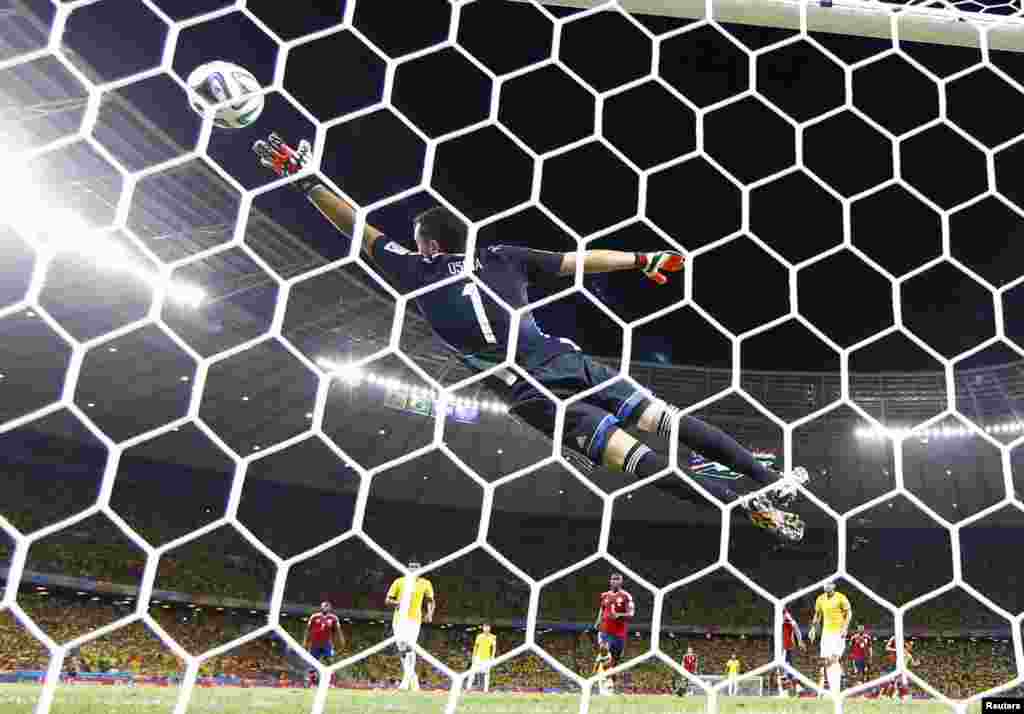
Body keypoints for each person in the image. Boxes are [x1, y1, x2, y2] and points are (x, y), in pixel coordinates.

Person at [253, 134, 809, 542]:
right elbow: (579, 260)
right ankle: (768, 479)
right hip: (566, 361)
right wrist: (644, 258)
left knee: (639, 460)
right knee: (666, 419)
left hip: (530, 393)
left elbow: (357, 226)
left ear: (425, 245)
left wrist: (306, 180)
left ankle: (743, 507)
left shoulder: (415, 271)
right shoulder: (501, 256)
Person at [385, 560, 435, 691]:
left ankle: (406, 681)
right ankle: (413, 677)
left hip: (414, 619)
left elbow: (430, 600)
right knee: (401, 648)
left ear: (421, 569)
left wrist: (430, 614)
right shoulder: (399, 581)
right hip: (399, 619)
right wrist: (397, 603)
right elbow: (388, 599)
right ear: (407, 568)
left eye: (416, 567)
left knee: (410, 646)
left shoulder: (425, 583)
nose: (413, 569)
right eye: (411, 567)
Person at [808, 582, 851, 696]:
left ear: (833, 586)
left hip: (838, 632)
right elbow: (817, 615)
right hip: (826, 633)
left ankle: (836, 690)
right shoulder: (820, 599)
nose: (826, 586)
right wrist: (813, 629)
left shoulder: (841, 597)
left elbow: (849, 613)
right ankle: (831, 690)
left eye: (829, 584)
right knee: (826, 661)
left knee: (834, 659)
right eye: (825, 585)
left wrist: (845, 628)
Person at [594, 572, 634, 683]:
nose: (615, 581)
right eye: (613, 579)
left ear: (621, 582)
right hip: (605, 630)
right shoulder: (604, 595)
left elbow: (631, 614)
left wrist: (619, 615)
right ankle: (603, 677)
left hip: (619, 633)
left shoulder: (626, 596)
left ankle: (611, 676)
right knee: (604, 651)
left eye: (617, 579)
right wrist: (598, 620)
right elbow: (602, 608)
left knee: (615, 660)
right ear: (610, 581)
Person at [303, 602, 343, 688]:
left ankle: (330, 683)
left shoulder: (333, 618)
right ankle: (313, 683)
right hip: (315, 643)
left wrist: (341, 640)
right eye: (324, 606)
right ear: (321, 607)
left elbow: (338, 630)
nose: (325, 607)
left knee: (329, 661)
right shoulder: (314, 617)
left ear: (330, 608)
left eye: (327, 606)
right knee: (312, 663)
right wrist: (305, 641)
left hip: (327, 644)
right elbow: (308, 630)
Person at [778, 607, 805, 697]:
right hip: (785, 648)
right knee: (787, 671)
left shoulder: (787, 619)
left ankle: (791, 690)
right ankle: (797, 688)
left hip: (786, 647)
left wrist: (800, 641)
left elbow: (795, 627)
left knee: (784, 671)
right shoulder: (783, 620)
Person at [467, 624, 496, 693]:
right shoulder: (479, 636)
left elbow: (494, 648)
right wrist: (473, 656)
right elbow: (476, 647)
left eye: (488, 627)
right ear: (483, 628)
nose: (486, 629)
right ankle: (468, 688)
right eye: (485, 627)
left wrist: (492, 657)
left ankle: (486, 690)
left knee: (487, 674)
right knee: (472, 672)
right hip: (478, 657)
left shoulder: (493, 637)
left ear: (490, 628)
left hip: (487, 658)